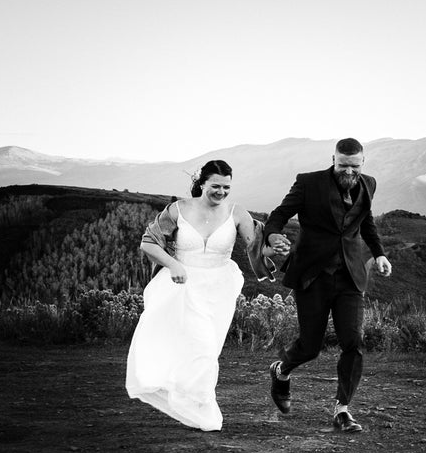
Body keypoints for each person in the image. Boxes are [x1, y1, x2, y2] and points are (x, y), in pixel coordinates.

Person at [264, 138, 391, 433]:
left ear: (363, 162)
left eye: (354, 166)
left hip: (351, 275)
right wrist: (272, 236)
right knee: (310, 347)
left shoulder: (369, 183)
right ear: (332, 159)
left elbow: (366, 222)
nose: (348, 171)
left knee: (354, 342)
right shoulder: (309, 183)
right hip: (313, 274)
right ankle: (281, 370)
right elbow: (279, 215)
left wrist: (380, 253)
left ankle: (342, 410)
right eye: (342, 165)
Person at [127, 160, 260, 431]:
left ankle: (188, 394)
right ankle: (203, 407)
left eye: (226, 187)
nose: (221, 192)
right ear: (202, 183)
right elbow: (149, 242)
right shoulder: (178, 209)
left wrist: (276, 247)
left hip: (220, 288)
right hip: (184, 285)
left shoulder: (237, 213)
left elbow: (256, 246)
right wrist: (174, 264)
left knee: (210, 348)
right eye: (215, 186)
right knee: (200, 345)